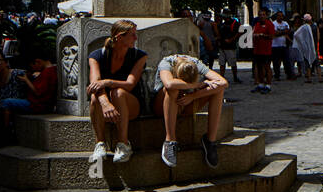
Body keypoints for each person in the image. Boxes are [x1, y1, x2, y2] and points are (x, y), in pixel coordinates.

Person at [87, 19, 148, 164]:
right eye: (132, 35)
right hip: (106, 107)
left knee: (118, 92)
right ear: (120, 37)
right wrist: (105, 103)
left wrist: (108, 82)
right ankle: (100, 143)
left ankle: (124, 143)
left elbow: (130, 84)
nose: (136, 38)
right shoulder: (96, 56)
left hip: (131, 103)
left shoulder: (139, 56)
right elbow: (95, 84)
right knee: (96, 98)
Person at [152, 53, 228, 168]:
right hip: (162, 106)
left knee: (218, 89)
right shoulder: (167, 63)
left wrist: (193, 96)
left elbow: (223, 83)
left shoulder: (196, 63)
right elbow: (169, 83)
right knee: (173, 89)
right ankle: (170, 140)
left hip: (185, 104)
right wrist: (196, 85)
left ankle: (210, 140)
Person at [250, 7, 275, 93]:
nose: (262, 16)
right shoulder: (257, 24)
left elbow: (272, 36)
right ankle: (260, 84)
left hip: (266, 50)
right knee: (259, 67)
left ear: (266, 16)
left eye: (263, 15)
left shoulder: (269, 24)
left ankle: (268, 85)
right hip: (257, 49)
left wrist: (262, 35)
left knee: (267, 67)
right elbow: (253, 33)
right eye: (260, 15)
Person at [293, 14, 319, 83]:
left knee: (307, 62)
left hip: (306, 47)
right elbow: (318, 36)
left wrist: (301, 42)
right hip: (314, 46)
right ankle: (320, 77)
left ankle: (309, 77)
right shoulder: (315, 27)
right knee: (316, 62)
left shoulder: (304, 27)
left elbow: (296, 34)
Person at [217, 12, 242, 83]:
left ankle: (235, 77)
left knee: (232, 63)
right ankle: (222, 77)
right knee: (222, 63)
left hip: (230, 46)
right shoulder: (222, 24)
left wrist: (232, 39)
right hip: (222, 46)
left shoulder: (235, 23)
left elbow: (240, 32)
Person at [271, 11, 293, 81]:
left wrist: (281, 33)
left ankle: (289, 74)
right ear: (276, 16)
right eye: (279, 16)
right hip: (275, 45)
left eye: (281, 16)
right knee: (276, 62)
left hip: (284, 45)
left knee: (286, 61)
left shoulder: (285, 23)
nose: (280, 17)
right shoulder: (273, 24)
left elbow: (288, 31)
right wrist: (283, 32)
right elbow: (274, 33)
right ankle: (277, 75)